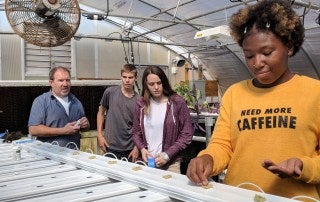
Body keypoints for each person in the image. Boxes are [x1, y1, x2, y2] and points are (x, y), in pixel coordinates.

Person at [187, 0, 320, 199]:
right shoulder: (235, 94)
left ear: (289, 47)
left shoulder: (314, 92)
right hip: (237, 196)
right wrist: (208, 158)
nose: (257, 63)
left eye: (267, 52)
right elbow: (223, 145)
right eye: (249, 56)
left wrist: (304, 166)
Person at [132, 66, 193, 173]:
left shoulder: (177, 102)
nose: (156, 87)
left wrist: (168, 155)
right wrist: (142, 149)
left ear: (163, 82)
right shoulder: (141, 104)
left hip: (171, 164)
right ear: (146, 85)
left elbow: (187, 134)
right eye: (151, 84)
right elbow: (136, 132)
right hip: (147, 162)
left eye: (159, 83)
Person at [28, 66, 90, 149]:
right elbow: (33, 129)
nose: (65, 84)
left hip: (74, 155)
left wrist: (86, 124)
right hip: (50, 156)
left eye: (67, 80)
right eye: (61, 80)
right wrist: (63, 131)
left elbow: (85, 128)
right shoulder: (41, 101)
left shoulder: (76, 101)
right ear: (51, 82)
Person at [97, 63, 139, 162]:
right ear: (121, 77)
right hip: (110, 146)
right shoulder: (110, 92)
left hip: (130, 149)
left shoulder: (139, 100)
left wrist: (137, 147)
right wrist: (99, 135)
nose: (127, 80)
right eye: (124, 77)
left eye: (130, 77)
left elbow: (141, 128)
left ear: (135, 78)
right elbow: (101, 112)